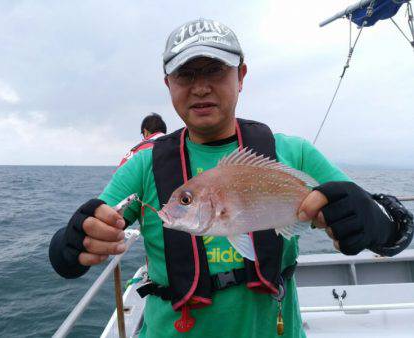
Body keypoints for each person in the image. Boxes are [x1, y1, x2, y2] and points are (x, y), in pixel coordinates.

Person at [49, 18, 413, 338]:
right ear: (168, 84)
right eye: (186, 75)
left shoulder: (295, 153)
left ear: (240, 76)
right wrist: (74, 242)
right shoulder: (143, 167)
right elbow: (72, 253)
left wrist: (372, 221)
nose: (201, 86)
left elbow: (398, 230)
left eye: (215, 70)